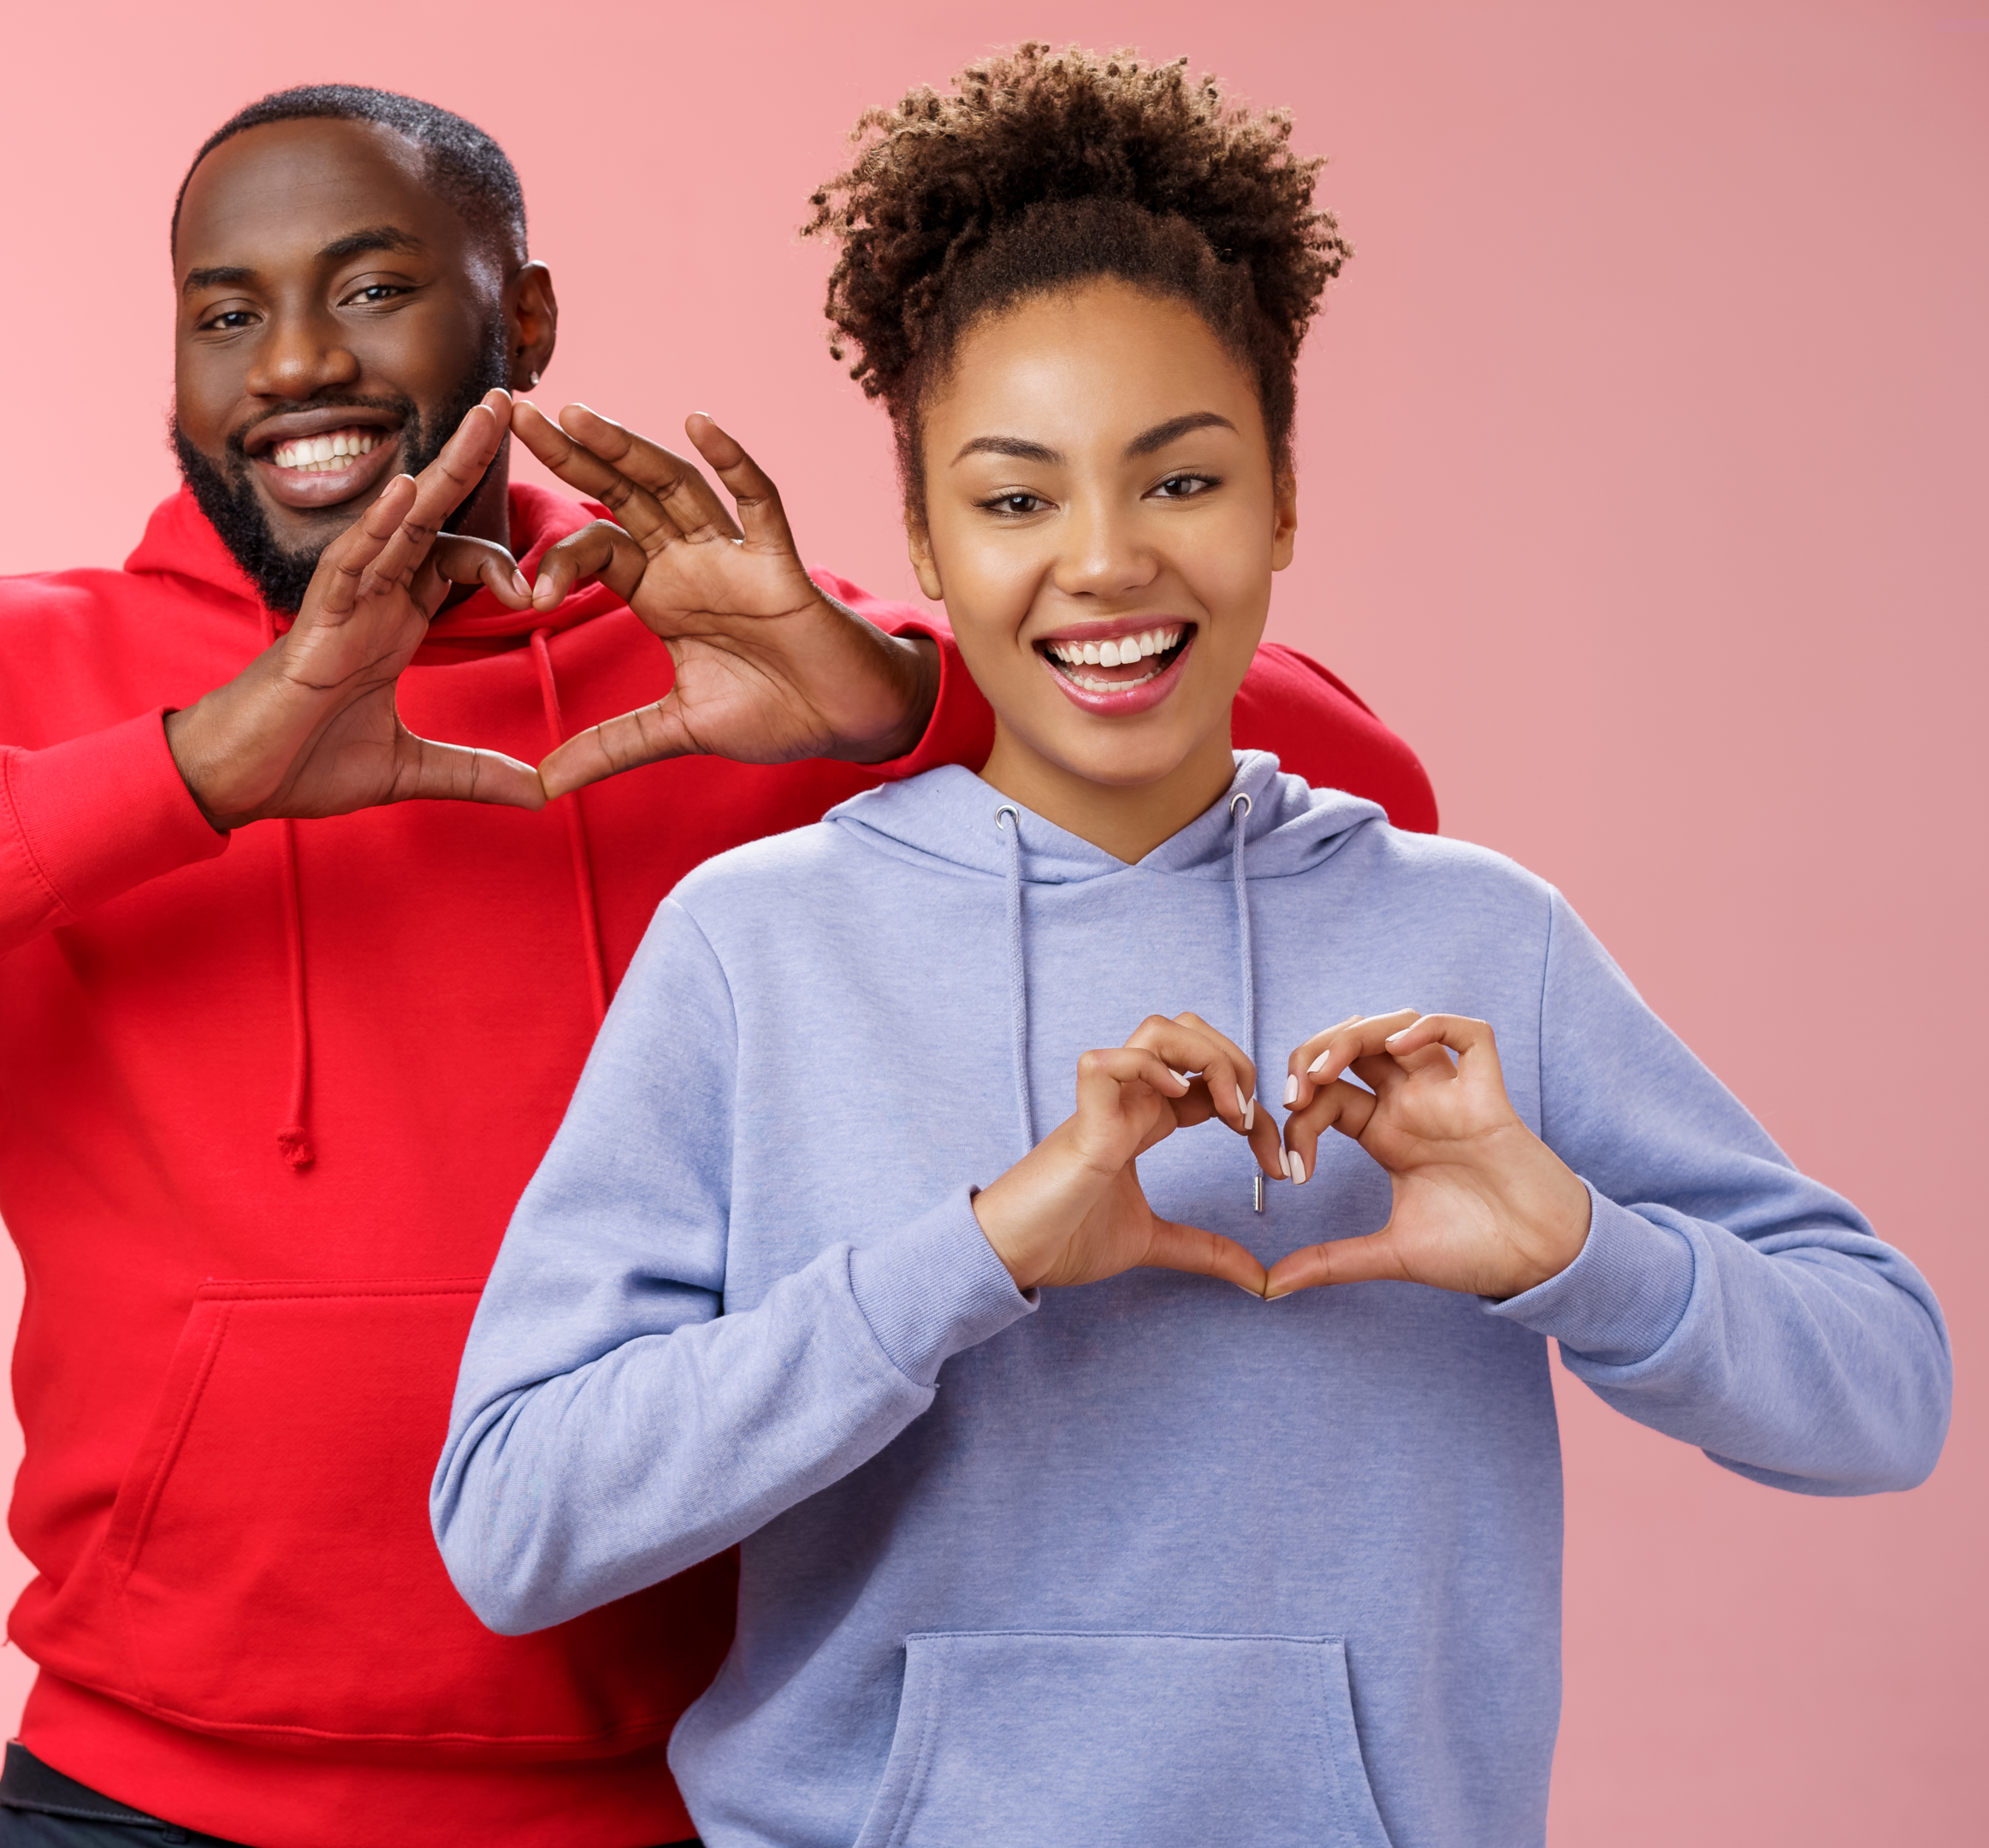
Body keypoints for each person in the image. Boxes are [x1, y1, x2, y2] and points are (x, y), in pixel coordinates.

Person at [0, 82, 1436, 1848]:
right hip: (139, 1796)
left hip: (716, 1787)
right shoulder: (11, 669)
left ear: (521, 326)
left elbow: (1366, 803)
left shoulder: (734, 667)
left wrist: (904, 705)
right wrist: (194, 769)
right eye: (224, 309)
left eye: (371, 290)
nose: (293, 365)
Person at [430, 45, 1952, 1848]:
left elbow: (1887, 1401)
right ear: (920, 532)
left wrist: (1577, 1252)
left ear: (1285, 498)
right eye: (1013, 498)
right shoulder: (763, 951)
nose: (1102, 562)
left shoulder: (1477, 940)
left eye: (1182, 480)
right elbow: (516, 1526)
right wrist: (976, 1258)